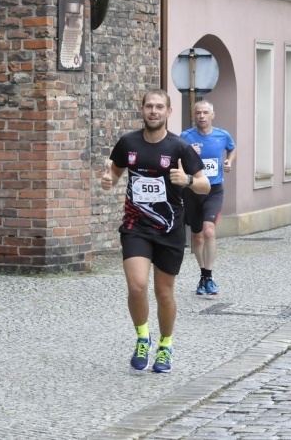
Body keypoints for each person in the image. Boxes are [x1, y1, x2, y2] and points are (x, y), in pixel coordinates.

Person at [100, 89, 210, 373]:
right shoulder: (128, 142)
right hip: (136, 226)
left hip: (169, 229)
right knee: (137, 286)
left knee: (164, 293)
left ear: (168, 112)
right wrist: (108, 180)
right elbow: (115, 172)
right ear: (142, 109)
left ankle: (165, 345)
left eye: (160, 106)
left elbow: (205, 185)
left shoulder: (179, 147)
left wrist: (187, 180)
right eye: (149, 106)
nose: (154, 111)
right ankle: (142, 338)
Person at [180, 100, 237, 296]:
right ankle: (202, 273)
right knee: (197, 237)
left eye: (205, 112)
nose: (202, 116)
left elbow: (232, 148)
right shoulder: (185, 137)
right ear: (194, 115)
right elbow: (176, 159)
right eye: (198, 113)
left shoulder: (222, 135)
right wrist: (188, 153)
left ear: (212, 115)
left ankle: (208, 276)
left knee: (209, 231)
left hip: (214, 190)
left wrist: (229, 161)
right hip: (193, 190)